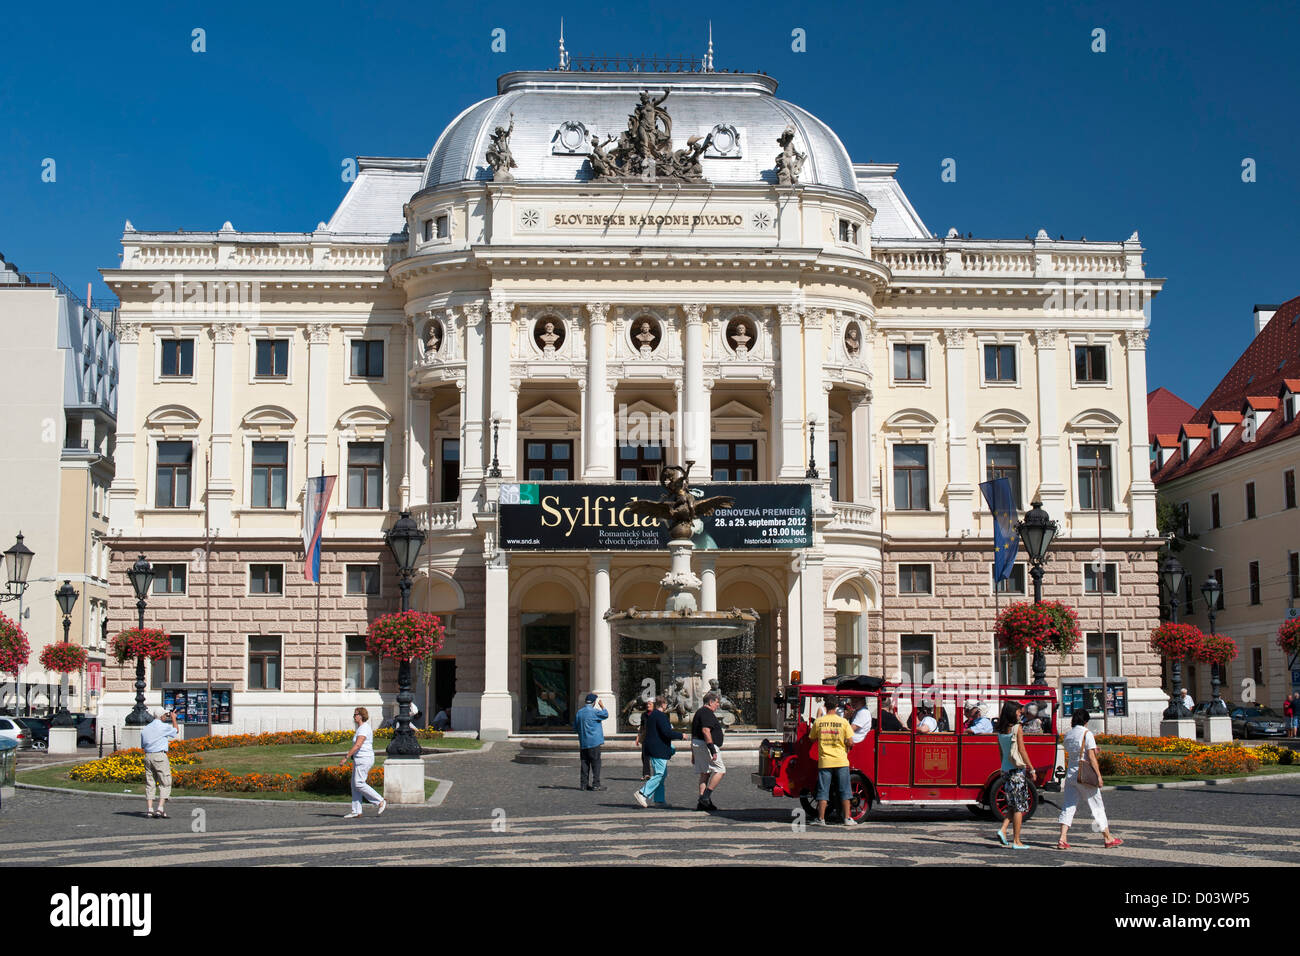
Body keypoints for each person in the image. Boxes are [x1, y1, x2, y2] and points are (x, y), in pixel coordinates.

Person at [1057, 709, 1123, 849]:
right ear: (1086, 721)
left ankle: (1062, 838)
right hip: (1084, 775)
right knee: (1097, 806)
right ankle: (1107, 837)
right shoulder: (1087, 733)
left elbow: (1076, 751)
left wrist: (1090, 751)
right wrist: (1099, 776)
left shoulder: (1068, 734)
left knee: (1068, 806)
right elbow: (1091, 758)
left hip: (1071, 774)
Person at [809, 694, 857, 826]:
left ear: (825, 705)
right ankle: (847, 818)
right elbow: (851, 741)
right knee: (845, 790)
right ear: (836, 706)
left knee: (823, 791)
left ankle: (821, 818)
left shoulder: (819, 722)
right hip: (841, 760)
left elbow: (812, 738)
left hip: (825, 761)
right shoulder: (843, 722)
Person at [995, 700, 1033, 849]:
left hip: (1005, 769)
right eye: (1018, 711)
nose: (1020, 713)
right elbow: (1022, 750)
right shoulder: (1017, 728)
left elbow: (1001, 753)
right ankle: (1017, 841)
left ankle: (1003, 829)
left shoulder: (1000, 731)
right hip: (1016, 770)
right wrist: (1031, 767)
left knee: (1012, 803)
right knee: (1019, 807)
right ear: (1012, 712)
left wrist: (1002, 767)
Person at [635, 696, 683, 808]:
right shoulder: (661, 716)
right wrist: (681, 735)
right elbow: (667, 732)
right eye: (666, 704)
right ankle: (642, 793)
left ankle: (659, 800)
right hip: (658, 749)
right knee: (660, 774)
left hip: (655, 747)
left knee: (662, 774)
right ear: (664, 704)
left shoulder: (653, 715)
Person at [340, 706, 385, 819]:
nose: (354, 717)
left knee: (359, 783)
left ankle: (380, 801)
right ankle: (356, 810)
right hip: (359, 758)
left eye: (355, 714)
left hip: (364, 758)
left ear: (361, 716)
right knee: (354, 785)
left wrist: (346, 757)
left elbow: (358, 745)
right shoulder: (361, 728)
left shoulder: (364, 728)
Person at [141, 708, 179, 819]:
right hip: (159, 756)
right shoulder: (163, 727)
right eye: (166, 715)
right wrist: (173, 719)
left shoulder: (146, 728)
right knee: (165, 781)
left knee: (150, 782)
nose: (166, 717)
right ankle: (160, 808)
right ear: (162, 716)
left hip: (148, 756)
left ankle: (149, 809)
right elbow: (176, 731)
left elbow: (143, 745)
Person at [691, 692, 726, 811]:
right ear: (711, 702)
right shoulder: (707, 713)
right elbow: (706, 731)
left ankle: (703, 804)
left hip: (697, 744)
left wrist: (693, 753)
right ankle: (705, 797)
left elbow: (694, 734)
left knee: (705, 772)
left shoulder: (699, 712)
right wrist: (712, 750)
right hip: (706, 745)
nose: (718, 705)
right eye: (717, 703)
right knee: (720, 770)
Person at [573, 692, 609, 792]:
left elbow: (575, 728)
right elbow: (606, 715)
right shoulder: (595, 712)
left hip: (583, 742)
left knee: (584, 763)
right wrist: (602, 706)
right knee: (596, 763)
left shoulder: (579, 712)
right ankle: (596, 784)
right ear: (594, 702)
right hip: (594, 742)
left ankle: (584, 784)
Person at [636, 698, 657, 780]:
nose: (648, 705)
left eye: (650, 704)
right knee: (645, 756)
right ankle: (646, 774)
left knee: (655, 757)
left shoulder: (656, 714)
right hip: (645, 737)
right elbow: (641, 726)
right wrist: (638, 737)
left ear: (654, 705)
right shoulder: (644, 715)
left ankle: (657, 773)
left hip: (655, 737)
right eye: (647, 704)